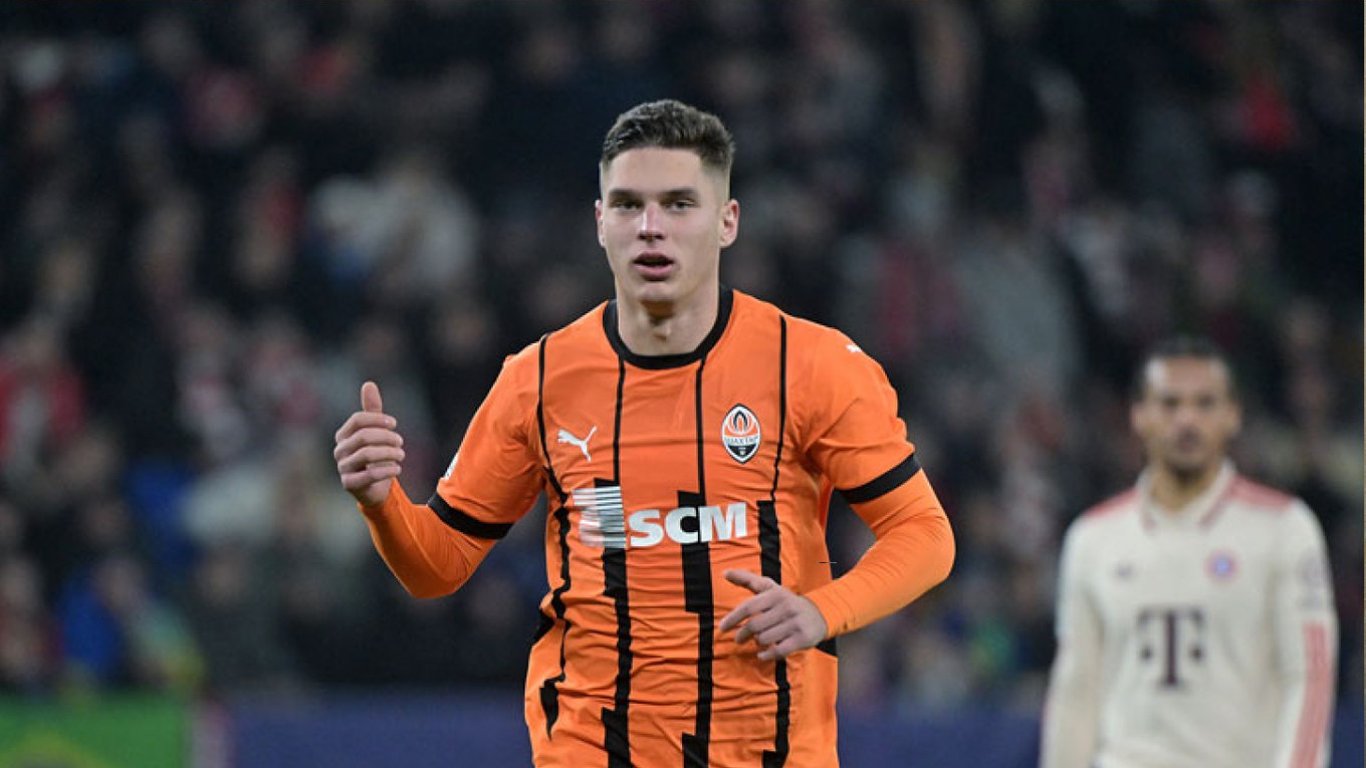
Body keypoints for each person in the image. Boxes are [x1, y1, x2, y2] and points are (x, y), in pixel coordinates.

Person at [332, 99, 955, 766]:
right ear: (601, 222)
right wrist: (382, 502)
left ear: (727, 222)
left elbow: (925, 535)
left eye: (679, 204)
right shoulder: (538, 379)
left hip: (770, 750)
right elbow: (437, 567)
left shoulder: (811, 365)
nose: (651, 228)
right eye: (628, 205)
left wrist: (825, 610)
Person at [1041, 337, 1337, 768]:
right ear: (1139, 415)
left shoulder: (1283, 528)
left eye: (1204, 404)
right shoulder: (1093, 538)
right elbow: (1075, 688)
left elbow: (1309, 675)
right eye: (1170, 404)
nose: (1187, 420)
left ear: (1233, 415)